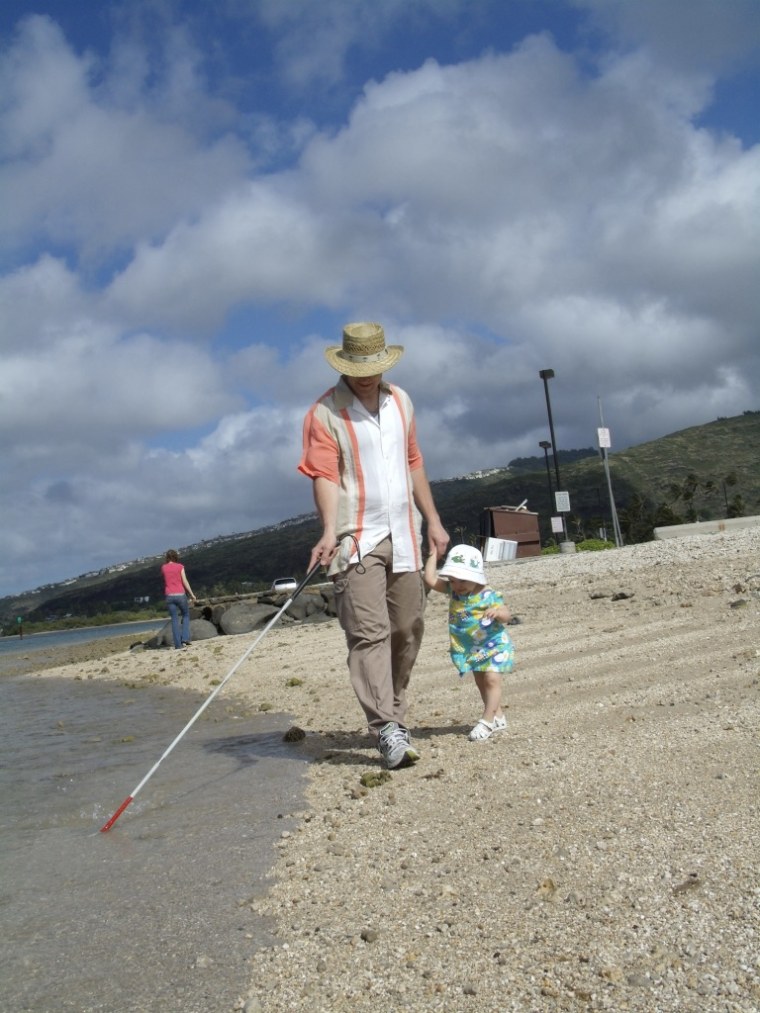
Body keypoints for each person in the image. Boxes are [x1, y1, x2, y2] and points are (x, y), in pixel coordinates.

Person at [299, 321, 449, 769]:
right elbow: (324, 474)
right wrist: (329, 531)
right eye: (358, 367)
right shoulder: (324, 412)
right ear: (344, 365)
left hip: (405, 532)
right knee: (368, 634)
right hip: (355, 538)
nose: (366, 375)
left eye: (373, 366)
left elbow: (414, 461)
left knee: (408, 627)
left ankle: (395, 712)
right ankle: (385, 727)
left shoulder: (401, 401)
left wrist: (434, 521)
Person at [424, 543, 515, 740]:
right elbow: (430, 579)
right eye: (453, 580)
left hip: (494, 644)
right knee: (481, 682)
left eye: (463, 580)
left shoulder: (488, 594)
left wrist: (498, 613)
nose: (458, 585)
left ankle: (487, 721)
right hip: (472, 647)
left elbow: (507, 614)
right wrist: (432, 554)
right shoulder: (454, 591)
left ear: (476, 576)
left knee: (491, 679)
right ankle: (498, 716)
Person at [161, 549, 197, 649]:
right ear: (176, 556)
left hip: (169, 596)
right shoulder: (180, 566)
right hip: (180, 595)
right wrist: (192, 594)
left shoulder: (163, 568)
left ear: (167, 558)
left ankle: (178, 645)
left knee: (174, 619)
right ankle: (185, 638)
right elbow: (185, 581)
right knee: (185, 615)